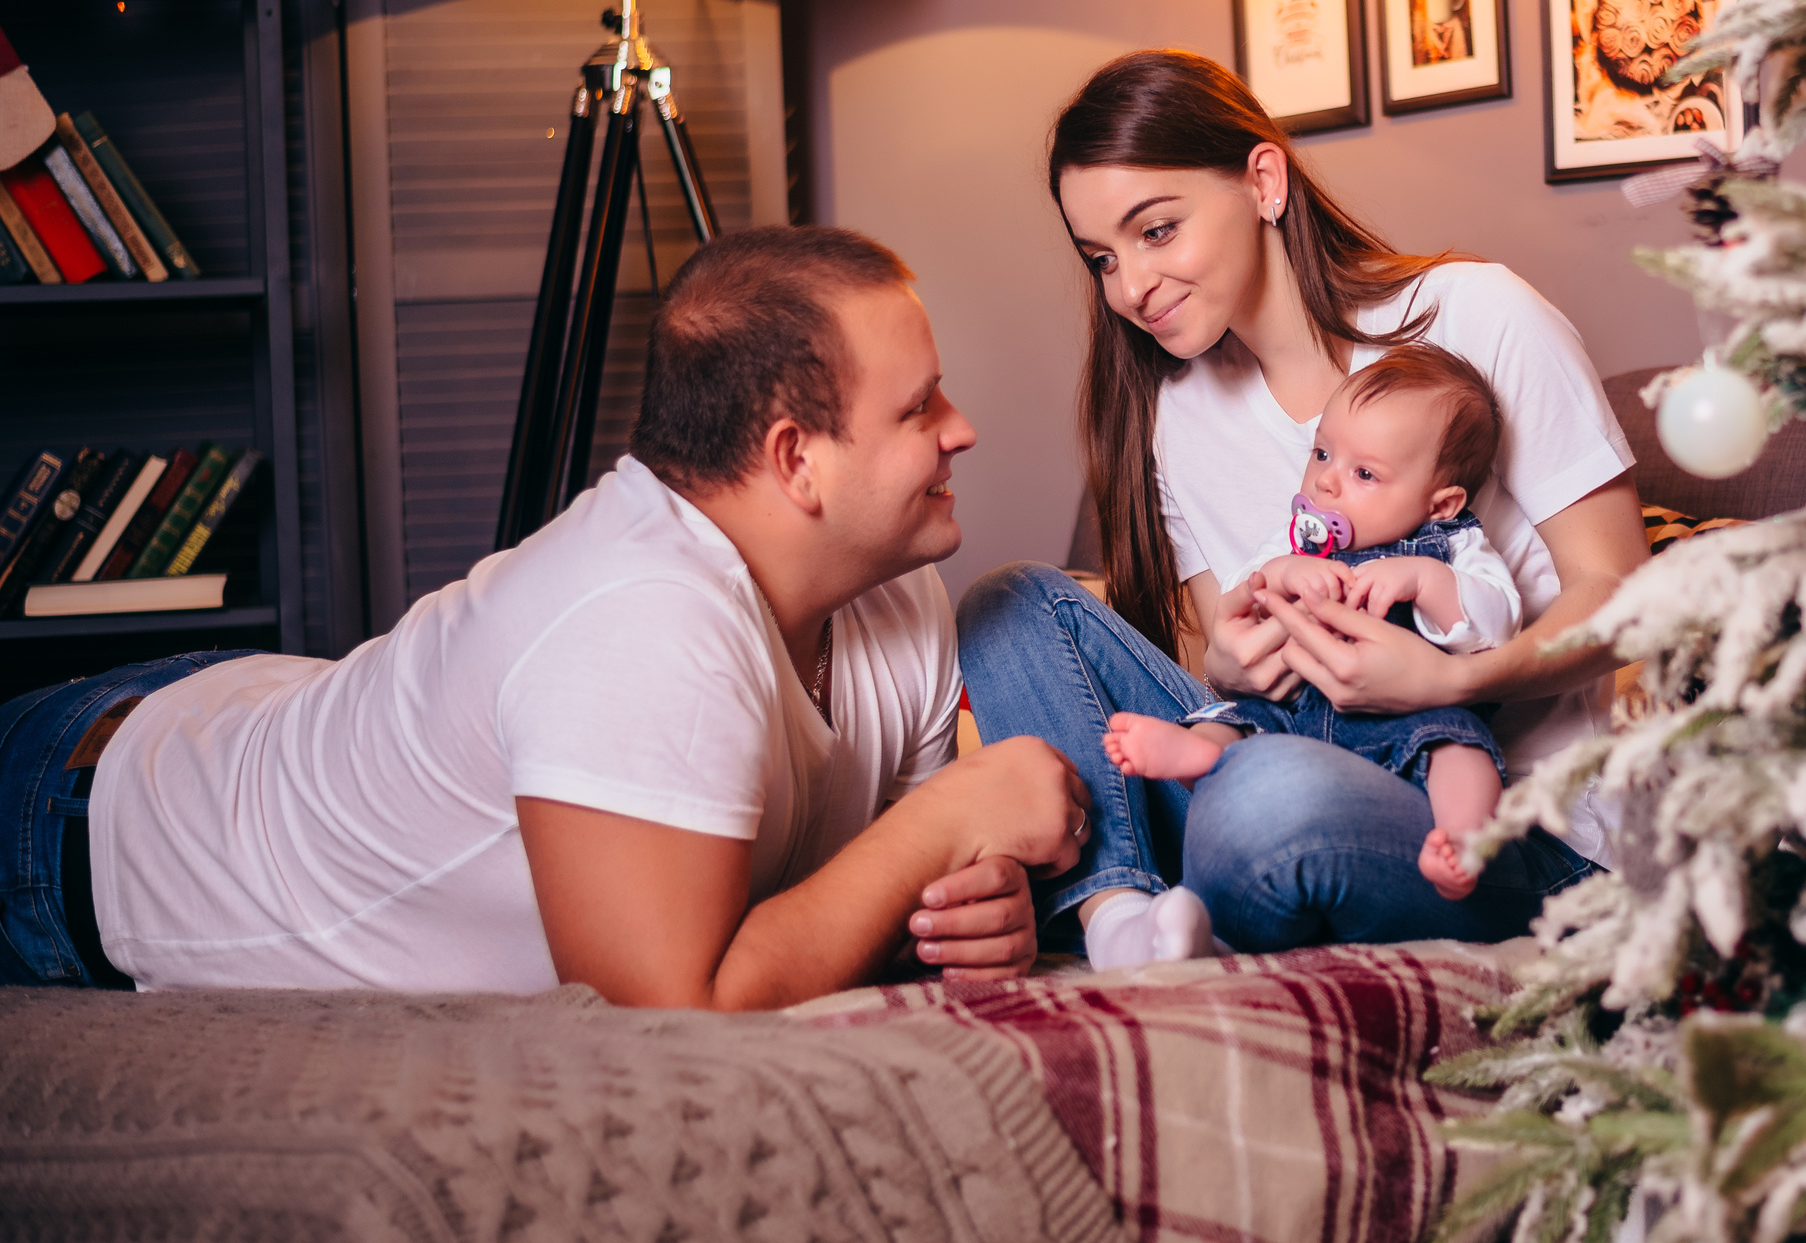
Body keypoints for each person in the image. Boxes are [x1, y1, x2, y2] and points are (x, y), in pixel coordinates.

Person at [0, 227, 1089, 1007]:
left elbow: (874, 896)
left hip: (252, 703)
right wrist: (951, 814)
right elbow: (675, 1010)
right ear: (796, 459)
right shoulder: (643, 620)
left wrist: (962, 905)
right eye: (917, 406)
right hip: (90, 812)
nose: (962, 428)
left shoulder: (893, 588)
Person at [959, 49, 1647, 970]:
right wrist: (1227, 661)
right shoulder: (1176, 418)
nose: (1129, 288)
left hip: (1505, 825)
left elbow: (1622, 591)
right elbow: (1227, 673)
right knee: (1006, 607)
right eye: (1102, 259)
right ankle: (1119, 916)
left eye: (1157, 230)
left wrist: (1448, 682)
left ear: (1264, 181)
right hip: (1274, 753)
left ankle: (1216, 884)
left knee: (1266, 797)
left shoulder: (1476, 315)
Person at [1101, 343, 1516, 901]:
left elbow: (1499, 622)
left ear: (1441, 504)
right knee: (1232, 719)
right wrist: (1284, 573)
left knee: (1463, 750)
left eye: (1364, 473)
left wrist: (1426, 581)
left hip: (1409, 724)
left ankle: (1460, 839)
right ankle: (1199, 753)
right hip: (1293, 712)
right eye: (1322, 453)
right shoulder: (1297, 541)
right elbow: (1245, 591)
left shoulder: (1453, 546)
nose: (1327, 481)